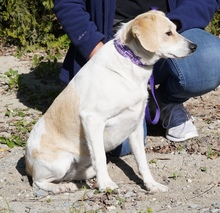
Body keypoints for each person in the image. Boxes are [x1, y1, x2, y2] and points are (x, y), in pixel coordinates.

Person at [54, 0, 220, 156]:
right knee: (122, 144)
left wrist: (168, 27)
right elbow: (68, 3)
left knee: (211, 60)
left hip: (166, 33)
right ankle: (133, 106)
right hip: (111, 43)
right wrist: (97, 51)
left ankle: (165, 102)